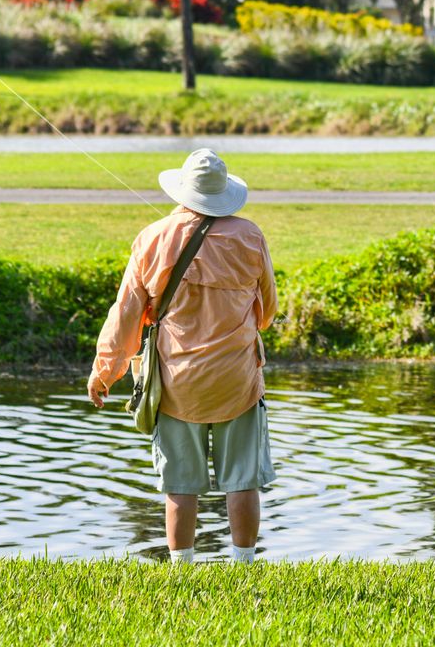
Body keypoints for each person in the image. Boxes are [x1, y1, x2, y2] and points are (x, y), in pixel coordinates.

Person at [87, 148, 278, 564]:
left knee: (180, 483)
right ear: (223, 193)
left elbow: (125, 317)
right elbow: (267, 312)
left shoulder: (152, 237)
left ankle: (182, 571)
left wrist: (105, 372)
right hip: (238, 378)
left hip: (175, 380)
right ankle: (243, 570)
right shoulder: (251, 236)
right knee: (242, 479)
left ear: (182, 190)